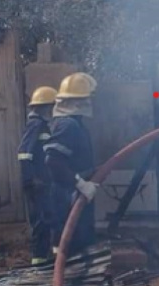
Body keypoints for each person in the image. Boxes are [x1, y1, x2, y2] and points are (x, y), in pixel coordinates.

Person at [44, 73, 99, 256]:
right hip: (67, 196)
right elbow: (53, 160)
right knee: (71, 245)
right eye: (86, 99)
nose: (89, 103)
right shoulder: (68, 125)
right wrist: (80, 183)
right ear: (77, 101)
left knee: (81, 242)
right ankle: (67, 281)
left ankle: (78, 281)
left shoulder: (74, 123)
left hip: (73, 194)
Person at [17, 86, 57, 265]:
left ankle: (44, 258)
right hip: (36, 184)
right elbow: (24, 153)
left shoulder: (41, 124)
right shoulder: (36, 124)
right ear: (45, 107)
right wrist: (30, 180)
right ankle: (38, 262)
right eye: (51, 106)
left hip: (41, 183)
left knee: (47, 219)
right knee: (40, 222)